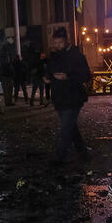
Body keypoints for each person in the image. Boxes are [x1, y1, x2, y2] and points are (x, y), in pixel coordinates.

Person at [44, 27, 90, 164]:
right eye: (55, 43)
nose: (57, 45)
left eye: (60, 43)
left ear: (66, 41)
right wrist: (48, 77)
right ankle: (84, 154)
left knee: (66, 127)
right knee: (71, 127)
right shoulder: (55, 56)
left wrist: (68, 76)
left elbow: (85, 75)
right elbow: (50, 71)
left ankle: (60, 157)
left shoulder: (77, 56)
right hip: (60, 97)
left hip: (73, 97)